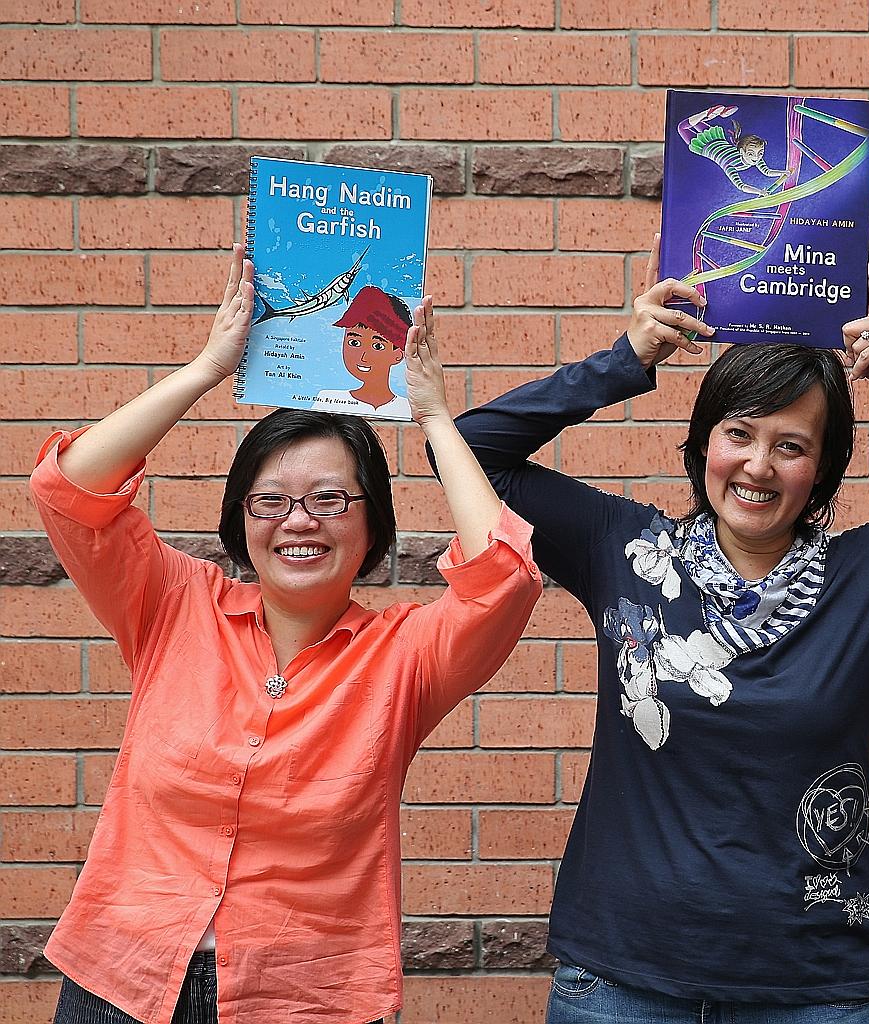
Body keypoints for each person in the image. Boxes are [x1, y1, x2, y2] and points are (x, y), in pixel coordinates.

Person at [451, 238, 869, 1021]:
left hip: (817, 992)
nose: (758, 465)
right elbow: (466, 449)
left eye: (790, 446)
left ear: (820, 471)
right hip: (621, 986)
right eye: (739, 433)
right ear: (701, 446)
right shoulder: (624, 551)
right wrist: (625, 359)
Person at [32, 244, 542, 1024]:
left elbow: (503, 578)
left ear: (371, 524)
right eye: (269, 500)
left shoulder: (402, 658)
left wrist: (432, 410)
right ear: (241, 520)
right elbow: (70, 490)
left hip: (305, 1002)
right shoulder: (174, 604)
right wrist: (208, 366)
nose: (298, 522)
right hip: (120, 983)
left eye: (331, 499)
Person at [311, 284, 411, 418]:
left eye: (377, 346)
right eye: (354, 342)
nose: (363, 357)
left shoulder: (406, 407)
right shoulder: (326, 400)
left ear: (398, 355)